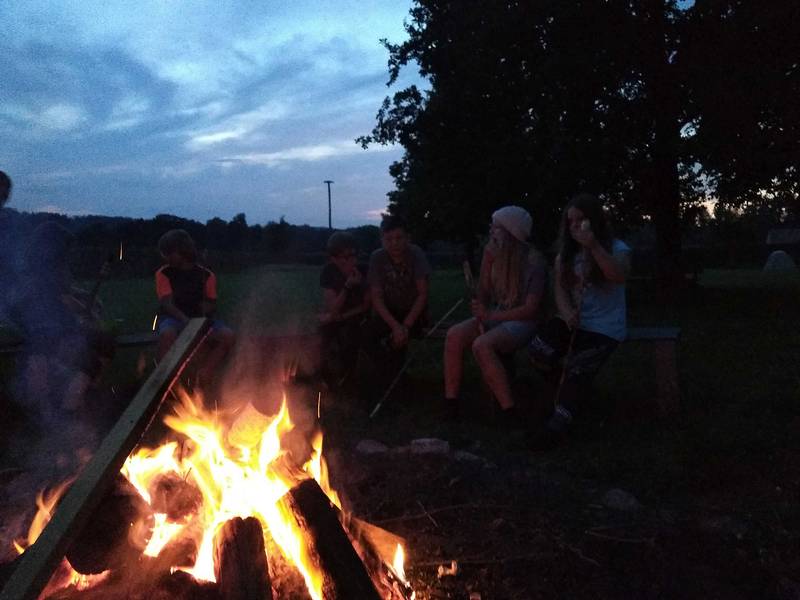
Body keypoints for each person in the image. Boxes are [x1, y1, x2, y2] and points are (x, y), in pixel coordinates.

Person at [527, 193, 631, 450]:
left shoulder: (617, 249)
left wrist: (594, 246)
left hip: (605, 327)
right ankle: (568, 395)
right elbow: (560, 290)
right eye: (570, 221)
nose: (574, 226)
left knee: (577, 369)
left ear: (594, 221)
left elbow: (617, 276)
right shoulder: (565, 256)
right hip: (575, 321)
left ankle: (556, 427)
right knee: (538, 351)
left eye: (580, 220)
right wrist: (567, 311)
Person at [443, 205, 546, 426]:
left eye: (496, 228)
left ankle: (508, 411)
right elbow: (483, 295)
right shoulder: (495, 257)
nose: (491, 232)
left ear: (511, 232)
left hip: (522, 322)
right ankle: (451, 404)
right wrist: (487, 263)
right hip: (497, 316)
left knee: (482, 344)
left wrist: (490, 316)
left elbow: (530, 309)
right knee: (454, 334)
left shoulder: (534, 262)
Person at [11, 221, 116, 418]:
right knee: (86, 358)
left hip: (64, 328)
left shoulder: (57, 270)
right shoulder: (37, 273)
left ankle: (79, 397)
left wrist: (84, 298)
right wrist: (82, 310)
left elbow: (67, 291)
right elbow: (57, 299)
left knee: (104, 342)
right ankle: (65, 410)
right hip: (46, 332)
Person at [362, 216, 431, 405]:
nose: (394, 243)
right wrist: (395, 326)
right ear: (382, 240)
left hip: (414, 311)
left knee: (397, 344)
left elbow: (422, 294)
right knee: (366, 335)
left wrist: (405, 326)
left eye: (399, 238)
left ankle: (393, 391)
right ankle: (392, 379)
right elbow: (376, 296)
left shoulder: (416, 255)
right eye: (389, 239)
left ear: (407, 238)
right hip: (389, 312)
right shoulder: (377, 258)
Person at [155, 229, 234, 386]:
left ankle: (205, 373)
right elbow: (167, 304)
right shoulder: (163, 273)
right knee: (167, 334)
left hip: (199, 319)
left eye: (169, 253)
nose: (166, 258)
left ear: (182, 251)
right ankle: (165, 378)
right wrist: (186, 321)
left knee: (228, 336)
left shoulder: (207, 275)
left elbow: (211, 303)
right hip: (173, 319)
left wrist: (206, 311)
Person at [318, 231, 370, 391]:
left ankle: (349, 379)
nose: (352, 260)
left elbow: (367, 305)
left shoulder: (364, 270)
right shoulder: (329, 272)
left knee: (350, 333)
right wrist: (347, 286)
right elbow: (332, 308)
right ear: (334, 258)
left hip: (358, 316)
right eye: (345, 257)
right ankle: (324, 377)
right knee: (321, 334)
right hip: (337, 315)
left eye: (354, 255)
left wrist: (341, 316)